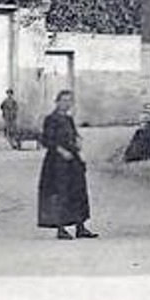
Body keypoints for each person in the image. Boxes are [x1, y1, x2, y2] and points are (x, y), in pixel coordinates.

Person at [38, 90, 96, 239]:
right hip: (56, 162)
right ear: (57, 102)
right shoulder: (51, 119)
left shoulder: (69, 119)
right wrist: (61, 151)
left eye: (69, 101)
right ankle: (61, 228)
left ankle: (80, 226)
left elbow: (74, 135)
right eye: (63, 100)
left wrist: (78, 141)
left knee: (78, 191)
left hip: (73, 160)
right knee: (60, 193)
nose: (66, 104)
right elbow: (46, 140)